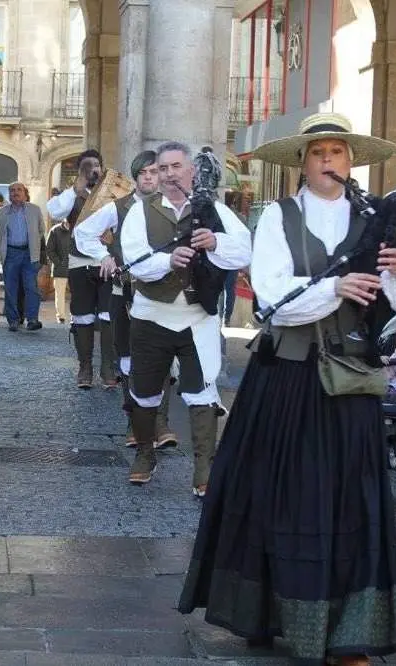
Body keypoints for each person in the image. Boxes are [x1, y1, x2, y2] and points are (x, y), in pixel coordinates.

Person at [178, 112, 396, 663]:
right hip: (290, 380)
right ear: (303, 162)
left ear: (352, 161)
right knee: (286, 499)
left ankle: (348, 632)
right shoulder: (278, 217)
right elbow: (273, 295)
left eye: (338, 152)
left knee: (351, 503)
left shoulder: (374, 216)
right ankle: (273, 613)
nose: (329, 160)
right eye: (319, 152)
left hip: (351, 381)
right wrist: (336, 285)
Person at [120, 142, 251, 489]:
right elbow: (133, 258)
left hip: (197, 317)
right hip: (151, 315)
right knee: (145, 392)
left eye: (176, 167)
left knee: (202, 390)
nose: (169, 174)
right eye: (162, 169)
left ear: (192, 171)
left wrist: (216, 243)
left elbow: (244, 249)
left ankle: (204, 470)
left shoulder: (214, 210)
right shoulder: (141, 211)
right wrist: (167, 260)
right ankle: (145, 453)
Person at [73, 150, 178, 447]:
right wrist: (103, 256)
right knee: (130, 360)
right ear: (136, 177)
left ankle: (161, 425)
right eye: (144, 173)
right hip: (126, 294)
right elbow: (83, 233)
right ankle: (135, 426)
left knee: (164, 358)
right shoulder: (118, 207)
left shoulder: (171, 207)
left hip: (163, 294)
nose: (149, 178)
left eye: (154, 172)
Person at [47, 149, 115, 388]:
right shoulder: (72, 195)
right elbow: (54, 211)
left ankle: (109, 368)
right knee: (83, 315)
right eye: (87, 166)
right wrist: (76, 187)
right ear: (80, 171)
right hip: (79, 262)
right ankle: (85, 368)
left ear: (102, 167)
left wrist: (114, 237)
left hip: (108, 262)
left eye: (96, 165)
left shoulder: (113, 194)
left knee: (109, 314)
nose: (93, 170)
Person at [0, 182, 44, 331]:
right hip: (10, 254)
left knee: (31, 287)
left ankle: (32, 319)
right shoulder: (1, 212)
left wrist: (34, 246)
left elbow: (41, 230)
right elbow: (0, 233)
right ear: (9, 194)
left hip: (29, 253)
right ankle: (14, 320)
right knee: (11, 288)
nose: (15, 193)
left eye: (18, 190)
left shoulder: (35, 210)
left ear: (25, 193)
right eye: (12, 191)